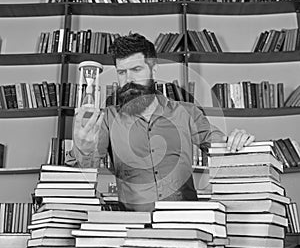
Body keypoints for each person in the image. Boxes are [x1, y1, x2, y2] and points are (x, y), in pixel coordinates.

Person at [66, 33, 255, 212]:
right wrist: (82, 149)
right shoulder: (107, 119)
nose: (128, 79)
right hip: (133, 228)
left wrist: (235, 142)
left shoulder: (187, 112)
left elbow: (220, 144)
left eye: (136, 70)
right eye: (122, 72)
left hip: (185, 225)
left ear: (153, 69)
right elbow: (82, 176)